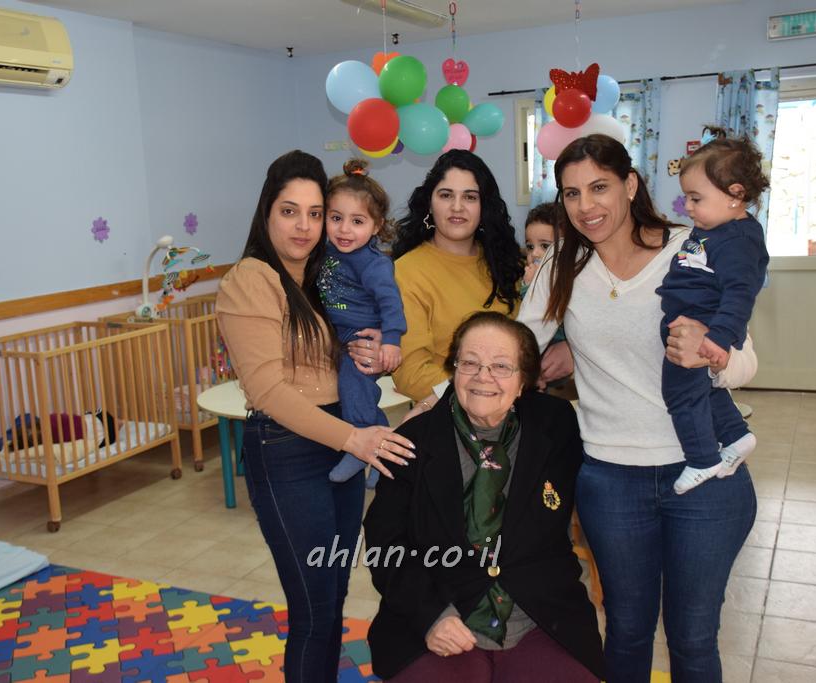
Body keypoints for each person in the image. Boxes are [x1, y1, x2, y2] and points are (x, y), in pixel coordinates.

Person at [517, 134, 758, 683]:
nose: (586, 206)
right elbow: (510, 349)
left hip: (705, 473)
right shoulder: (560, 266)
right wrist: (441, 398)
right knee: (626, 630)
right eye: (571, 194)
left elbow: (746, 361)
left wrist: (711, 356)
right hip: (610, 479)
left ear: (630, 185)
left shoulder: (691, 246)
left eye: (599, 187)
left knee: (693, 637)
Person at [214, 150, 415, 683]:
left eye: (314, 213)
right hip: (288, 448)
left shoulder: (321, 275)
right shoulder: (252, 278)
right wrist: (354, 439)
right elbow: (267, 391)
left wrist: (371, 347)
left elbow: (340, 351)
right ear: (266, 212)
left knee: (333, 595)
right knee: (313, 610)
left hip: (335, 440)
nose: (304, 226)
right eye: (289, 211)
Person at [363, 311, 605, 682]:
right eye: (470, 363)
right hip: (439, 610)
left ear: (524, 380)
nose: (483, 377)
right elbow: (384, 542)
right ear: (454, 370)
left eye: (501, 366)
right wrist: (431, 616)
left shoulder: (556, 425)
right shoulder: (414, 441)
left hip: (538, 615)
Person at [658, 127, 770, 493]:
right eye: (686, 198)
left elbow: (740, 294)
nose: (688, 207)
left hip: (704, 327)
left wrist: (718, 339)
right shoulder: (715, 228)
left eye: (696, 198)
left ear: (735, 196)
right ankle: (736, 435)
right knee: (704, 392)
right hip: (693, 321)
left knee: (680, 395)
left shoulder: (739, 240)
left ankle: (702, 459)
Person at [387, 149, 524, 404]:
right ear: (430, 204)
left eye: (470, 197)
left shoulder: (504, 263)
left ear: (484, 207)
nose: (457, 207)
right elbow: (411, 375)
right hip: (449, 411)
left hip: (514, 403)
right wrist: (488, 390)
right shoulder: (405, 272)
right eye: (446, 195)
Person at [319, 158, 407, 487]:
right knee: (353, 394)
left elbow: (391, 303)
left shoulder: (373, 264)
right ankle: (382, 444)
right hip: (336, 335)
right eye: (336, 218)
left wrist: (391, 341)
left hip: (364, 337)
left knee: (352, 386)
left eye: (357, 221)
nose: (344, 229)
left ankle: (360, 447)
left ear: (376, 225)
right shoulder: (325, 253)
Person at [522, 202, 562, 296]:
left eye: (545, 246)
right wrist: (528, 284)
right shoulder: (530, 276)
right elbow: (527, 304)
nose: (534, 253)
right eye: (530, 247)